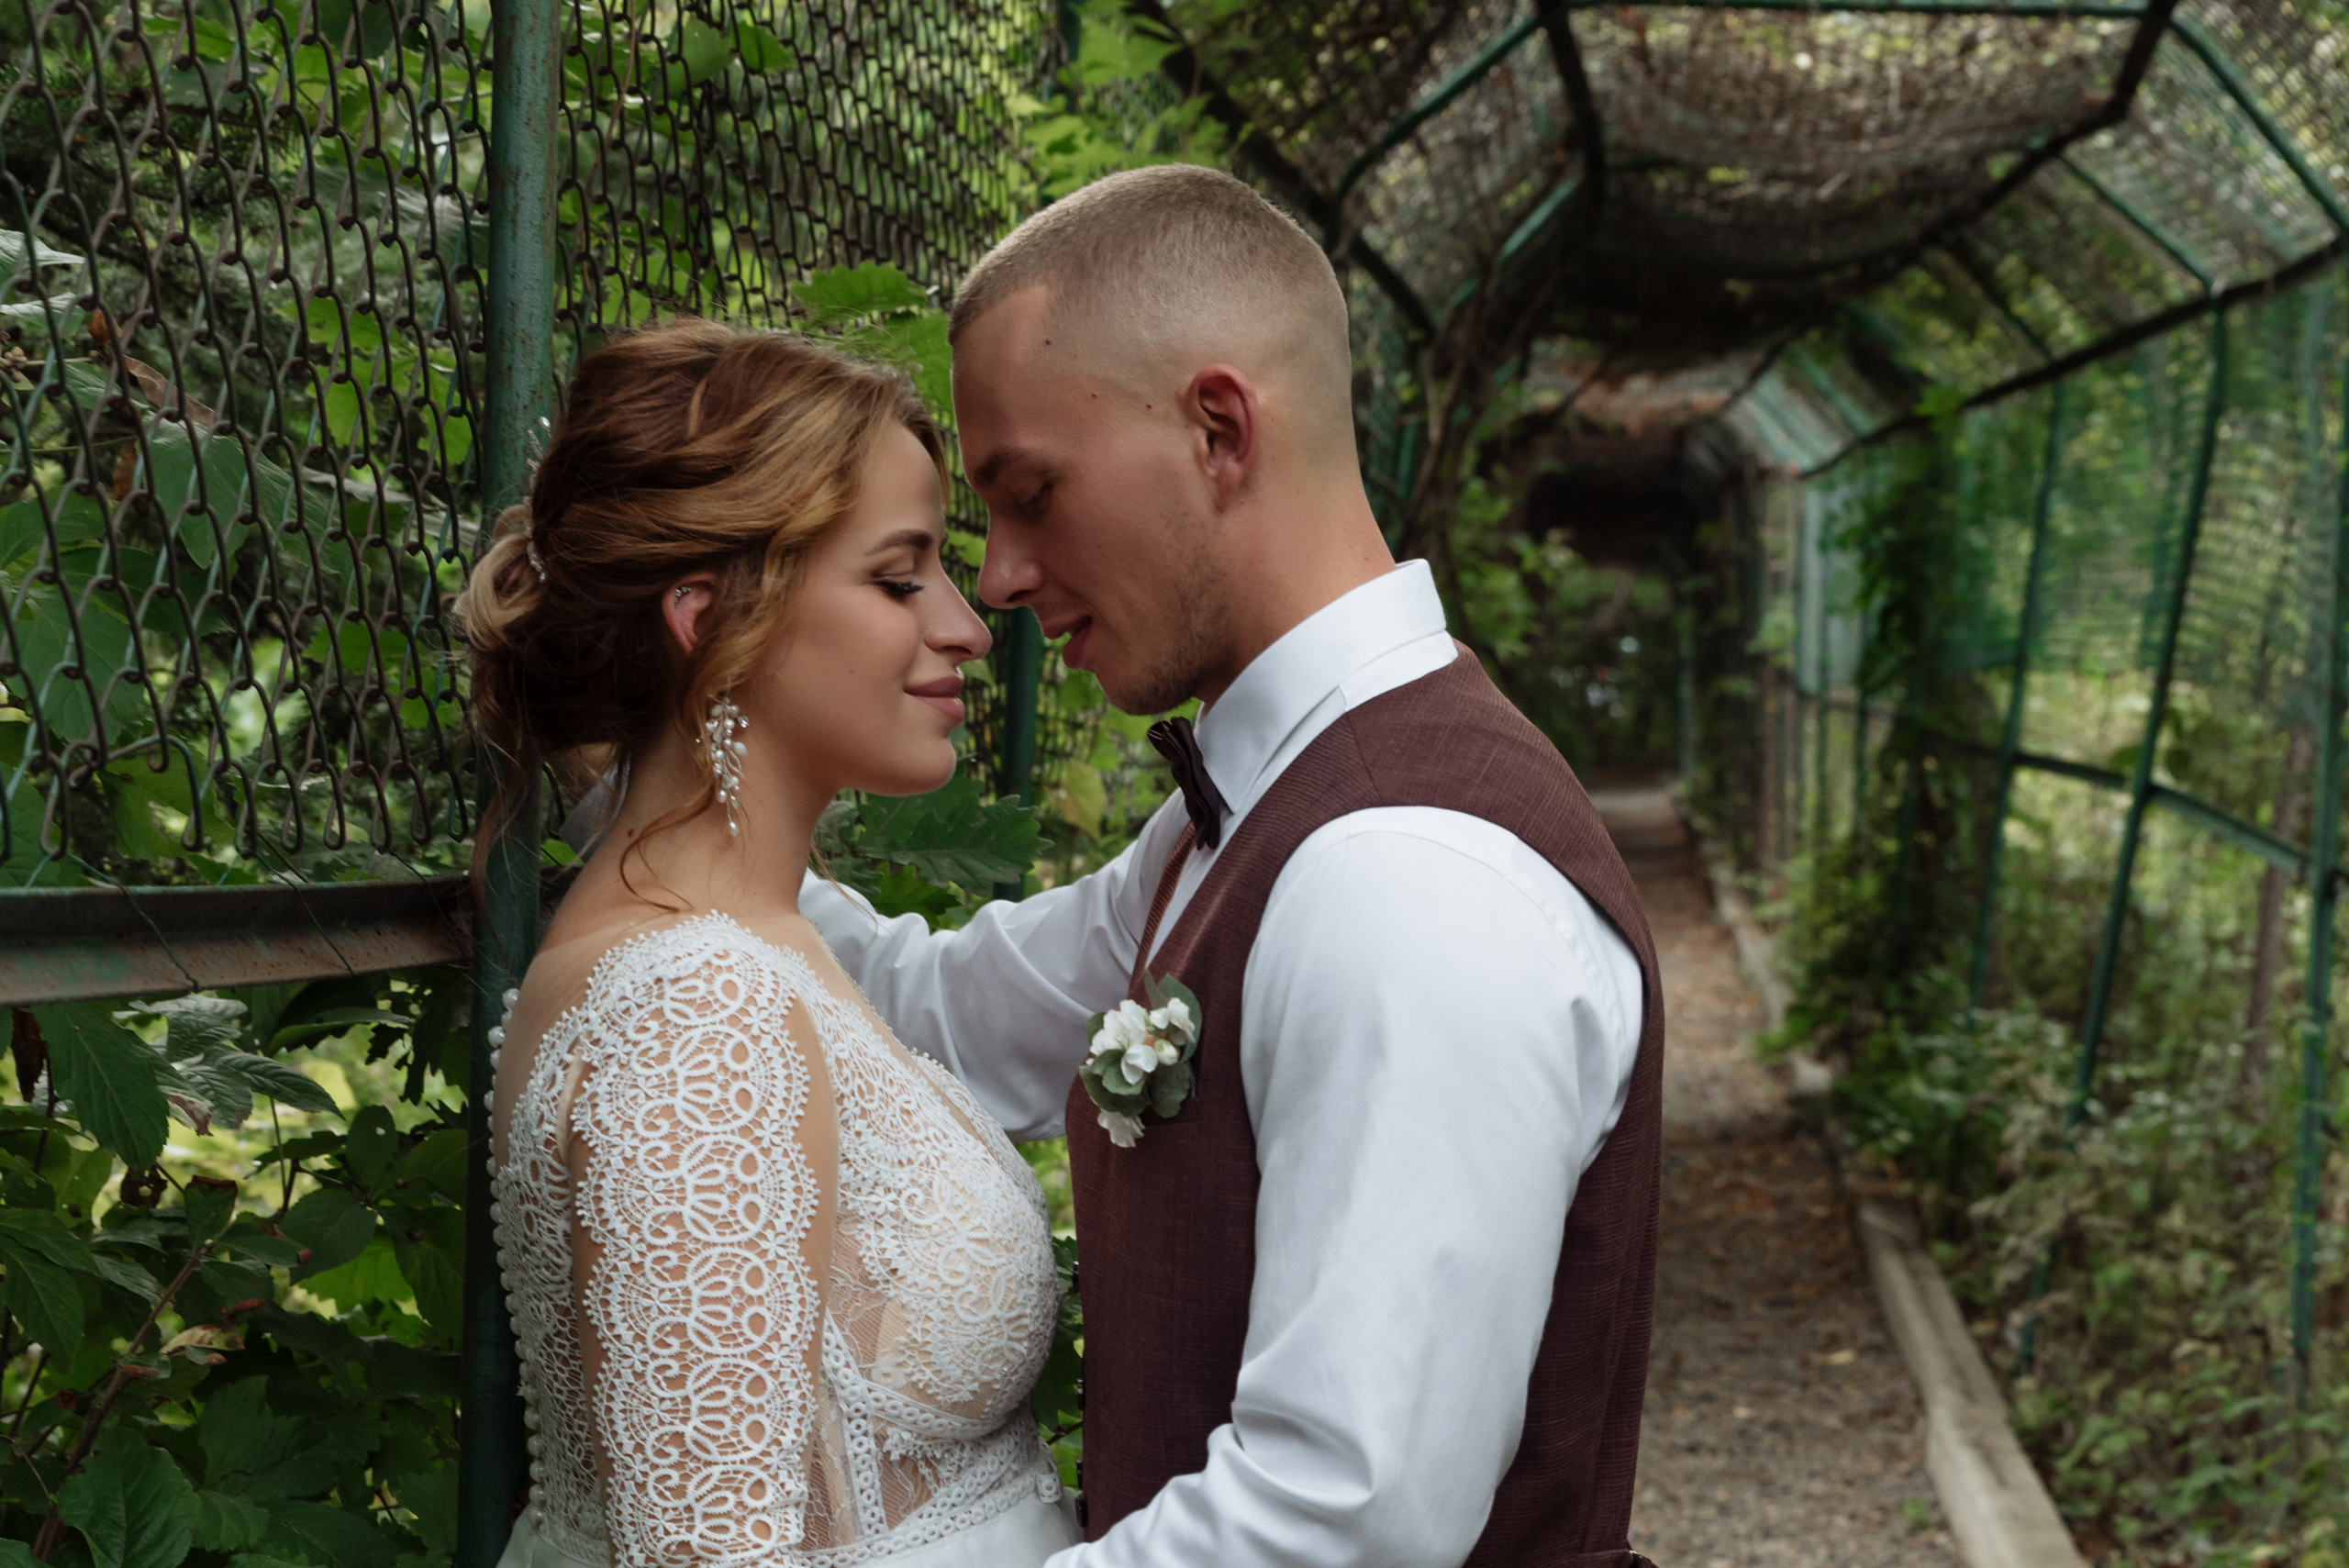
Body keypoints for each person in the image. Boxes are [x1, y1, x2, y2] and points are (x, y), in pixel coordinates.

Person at [802, 164, 1664, 1568]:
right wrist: (669, 799)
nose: (999, 577)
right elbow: (942, 1013)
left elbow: (1338, 1519)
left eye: (1032, 493)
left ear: (1219, 429)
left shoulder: (1403, 874)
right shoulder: (1265, 802)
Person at [456, 321, 1080, 1568]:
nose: (966, 626)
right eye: (900, 578)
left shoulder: (755, 940)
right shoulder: (690, 1009)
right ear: (706, 615)